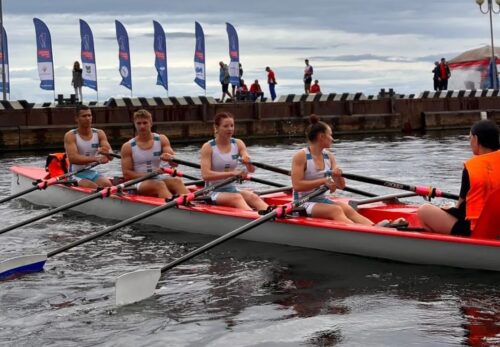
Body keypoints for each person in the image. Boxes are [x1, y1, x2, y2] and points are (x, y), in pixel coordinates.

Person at [417, 119, 500, 236]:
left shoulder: (472, 167)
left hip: (476, 230)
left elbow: (460, 207)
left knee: (424, 210)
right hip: (497, 225)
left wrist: (448, 210)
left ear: (476, 140)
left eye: (470, 138)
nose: (469, 142)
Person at [200, 112, 269, 211]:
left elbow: (251, 170)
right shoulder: (208, 147)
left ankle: (275, 217)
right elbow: (206, 175)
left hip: (231, 189)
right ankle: (254, 217)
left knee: (253, 197)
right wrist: (232, 174)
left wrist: (248, 161)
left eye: (232, 125)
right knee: (237, 198)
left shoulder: (238, 143)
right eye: (226, 126)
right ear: (216, 127)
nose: (230, 129)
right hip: (212, 191)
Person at [121, 109, 189, 199]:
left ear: (151, 123)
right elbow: (126, 174)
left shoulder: (161, 139)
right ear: (135, 124)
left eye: (145, 123)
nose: (142, 126)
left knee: (177, 181)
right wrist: (151, 174)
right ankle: (175, 209)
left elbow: (174, 164)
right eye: (139, 123)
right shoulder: (128, 146)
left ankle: (194, 206)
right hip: (139, 182)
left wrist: (170, 159)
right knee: (159, 185)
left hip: (158, 177)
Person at [64, 104, 113, 188]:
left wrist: (107, 153)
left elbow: (111, 157)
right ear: (76, 119)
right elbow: (73, 159)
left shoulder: (99, 133)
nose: (88, 118)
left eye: (89, 115)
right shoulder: (70, 135)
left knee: (107, 185)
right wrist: (96, 159)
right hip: (75, 173)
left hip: (92, 171)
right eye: (84, 116)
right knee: (93, 187)